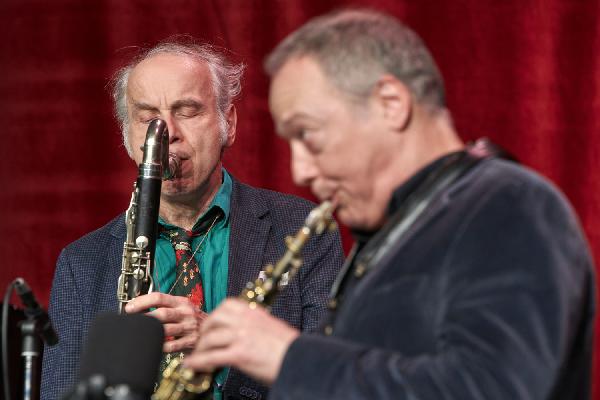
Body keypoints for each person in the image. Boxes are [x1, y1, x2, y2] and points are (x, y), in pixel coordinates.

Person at [185, 9, 596, 400]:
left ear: (390, 103)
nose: (300, 171)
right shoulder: (396, 229)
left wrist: (289, 357)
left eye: (307, 134)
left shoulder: (509, 203)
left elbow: (494, 389)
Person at [40, 37, 344, 400]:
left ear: (228, 123)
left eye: (187, 111)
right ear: (128, 137)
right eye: (147, 118)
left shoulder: (302, 228)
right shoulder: (81, 263)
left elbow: (335, 380)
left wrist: (223, 346)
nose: (166, 134)